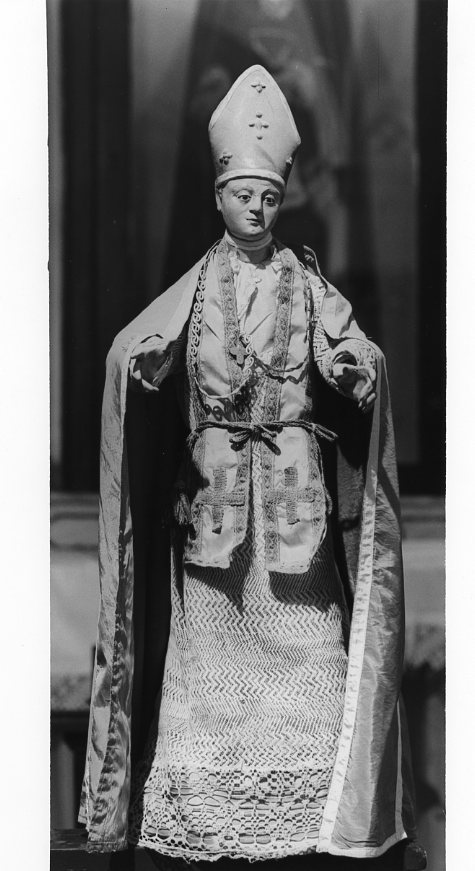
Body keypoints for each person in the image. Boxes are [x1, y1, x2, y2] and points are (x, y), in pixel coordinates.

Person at [79, 66, 426, 870]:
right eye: (242, 195)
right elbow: (134, 348)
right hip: (212, 518)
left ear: (281, 199)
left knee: (315, 656)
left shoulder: (305, 282)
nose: (256, 209)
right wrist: (143, 370)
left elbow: (349, 349)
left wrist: (355, 369)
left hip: (295, 519)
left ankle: (316, 810)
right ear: (218, 196)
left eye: (268, 197)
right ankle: (205, 811)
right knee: (206, 668)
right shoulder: (196, 288)